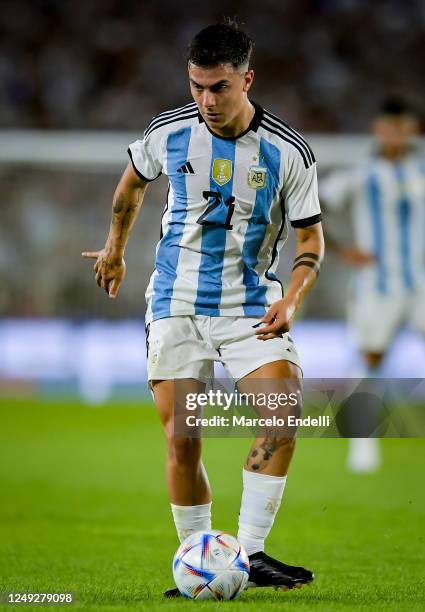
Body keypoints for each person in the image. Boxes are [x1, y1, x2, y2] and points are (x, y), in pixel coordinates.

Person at [83, 21, 324, 596]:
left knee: (283, 418)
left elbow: (311, 239)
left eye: (219, 87)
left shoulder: (289, 152)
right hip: (176, 304)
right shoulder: (168, 133)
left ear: (247, 78)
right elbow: (131, 186)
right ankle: (194, 558)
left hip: (251, 307)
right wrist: (114, 248)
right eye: (196, 87)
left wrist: (292, 299)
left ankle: (253, 553)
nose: (206, 101)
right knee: (182, 439)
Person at [320, 97, 425, 472]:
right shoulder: (362, 174)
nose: (396, 134)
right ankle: (362, 445)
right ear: (378, 130)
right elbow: (314, 205)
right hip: (378, 285)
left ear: (412, 130)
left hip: (422, 281)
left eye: (403, 127)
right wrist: (340, 250)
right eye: (389, 127)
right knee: (371, 359)